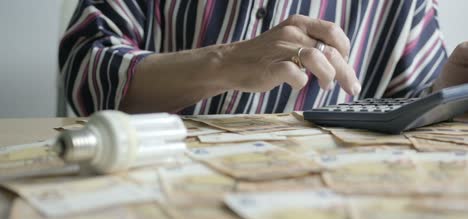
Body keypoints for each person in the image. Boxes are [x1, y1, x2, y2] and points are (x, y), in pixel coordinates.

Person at [59, 0, 467, 117]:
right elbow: (85, 75)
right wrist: (222, 62)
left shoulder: (405, 7)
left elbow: (410, 113)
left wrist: (445, 96)